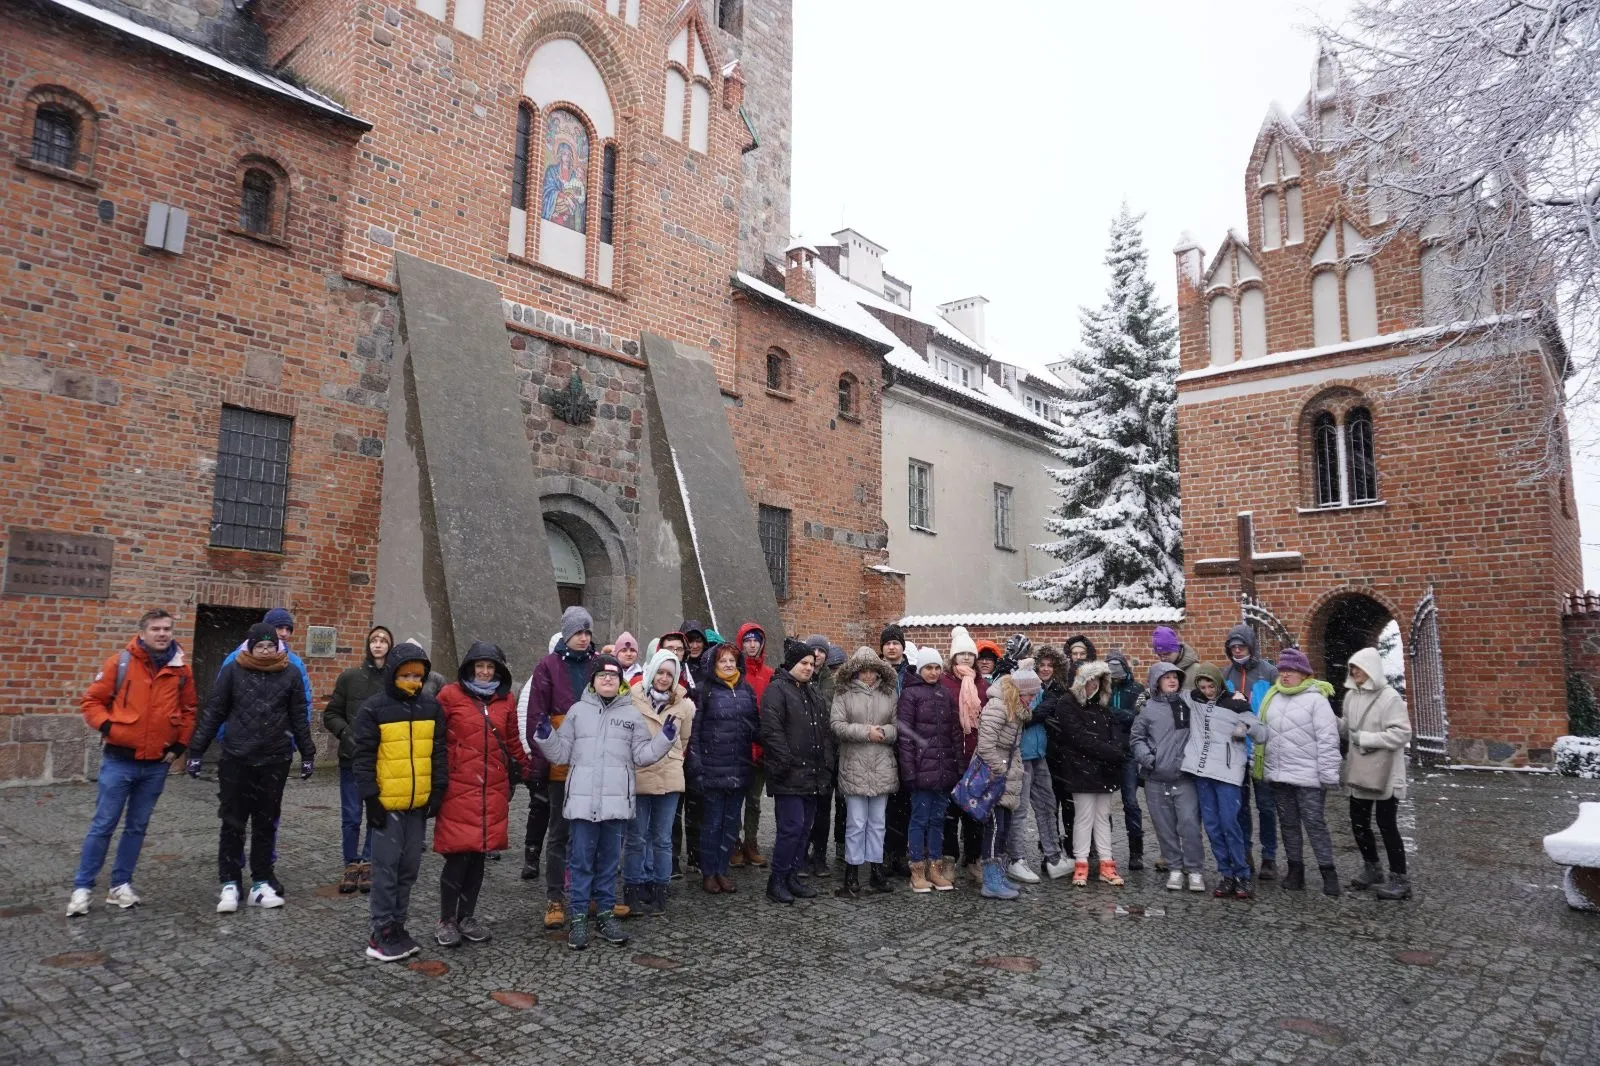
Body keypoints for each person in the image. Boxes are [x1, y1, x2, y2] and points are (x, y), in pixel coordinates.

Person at [532, 656, 676, 950]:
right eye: (602, 675)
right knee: (581, 861)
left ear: (621, 681)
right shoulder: (576, 712)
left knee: (610, 863)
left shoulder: (632, 715)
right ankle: (580, 917)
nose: (608, 680)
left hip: (616, 804)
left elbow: (642, 755)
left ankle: (606, 914)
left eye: (613, 676)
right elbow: (561, 754)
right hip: (583, 804)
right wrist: (546, 737)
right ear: (593, 681)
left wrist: (665, 739)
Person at [69, 609, 197, 916]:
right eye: (156, 628)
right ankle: (82, 888)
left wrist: (180, 744)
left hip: (155, 764)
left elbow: (190, 709)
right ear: (143, 633)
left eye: (167, 628)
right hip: (119, 761)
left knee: (137, 827)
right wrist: (109, 728)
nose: (162, 633)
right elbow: (91, 701)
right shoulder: (121, 662)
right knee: (103, 825)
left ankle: (120, 885)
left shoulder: (181, 671)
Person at [185, 622, 314, 913]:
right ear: (250, 646)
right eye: (260, 646)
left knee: (266, 823)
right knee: (233, 821)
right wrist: (196, 750)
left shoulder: (290, 673)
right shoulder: (233, 671)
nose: (266, 651)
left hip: (274, 759)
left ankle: (261, 880)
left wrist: (307, 754)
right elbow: (215, 710)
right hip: (237, 758)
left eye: (271, 646)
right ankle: (229, 881)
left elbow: (298, 717)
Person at [351, 641, 445, 961]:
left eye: (418, 677)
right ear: (393, 675)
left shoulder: (431, 709)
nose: (413, 682)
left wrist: (437, 791)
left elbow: (438, 754)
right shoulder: (373, 709)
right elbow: (362, 758)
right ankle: (381, 931)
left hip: (417, 805)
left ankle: (398, 924)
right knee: (385, 870)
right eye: (406, 676)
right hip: (387, 804)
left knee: (408, 868)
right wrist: (371, 799)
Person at [432, 642, 528, 947]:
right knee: (458, 856)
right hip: (460, 787)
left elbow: (512, 741)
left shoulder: (505, 700)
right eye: (480, 666)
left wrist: (529, 771)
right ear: (469, 667)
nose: (485, 672)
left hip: (493, 789)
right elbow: (435, 738)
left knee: (478, 857)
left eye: (490, 667)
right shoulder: (449, 696)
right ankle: (447, 919)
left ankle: (466, 916)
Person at [517, 605, 596, 930]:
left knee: (589, 832)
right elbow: (538, 717)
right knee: (560, 832)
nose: (583, 638)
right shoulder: (547, 667)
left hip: (592, 762)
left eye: (587, 632)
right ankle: (554, 898)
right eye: (578, 632)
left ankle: (586, 892)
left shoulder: (598, 664)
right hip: (562, 764)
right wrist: (546, 757)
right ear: (567, 633)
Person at [1253, 647, 1342, 895]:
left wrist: (1328, 774)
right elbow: (1264, 735)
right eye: (1282, 671)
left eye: (1291, 671)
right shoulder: (1273, 697)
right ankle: (1295, 871)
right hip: (1280, 775)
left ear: (1304, 674)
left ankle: (1328, 872)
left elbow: (1328, 739)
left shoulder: (1317, 700)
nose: (1285, 675)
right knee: (1288, 824)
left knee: (1315, 823)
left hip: (1309, 777)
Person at [760, 639, 834, 904]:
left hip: (812, 774)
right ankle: (777, 880)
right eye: (803, 663)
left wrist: (825, 764)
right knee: (790, 829)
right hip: (789, 774)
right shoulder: (777, 690)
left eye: (812, 664)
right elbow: (771, 731)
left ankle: (793, 875)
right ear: (792, 663)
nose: (808, 668)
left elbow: (823, 732)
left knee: (804, 829)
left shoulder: (812, 692)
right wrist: (788, 763)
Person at [1182, 662, 1263, 899]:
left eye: (1210, 686)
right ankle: (1226, 873)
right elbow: (1168, 689)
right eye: (1203, 686)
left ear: (1218, 683)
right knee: (1213, 827)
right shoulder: (1193, 699)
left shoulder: (1236, 703)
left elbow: (1262, 731)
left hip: (1228, 773)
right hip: (1202, 772)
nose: (1207, 690)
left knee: (1230, 824)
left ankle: (1243, 875)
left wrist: (1245, 726)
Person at [323, 625, 393, 894]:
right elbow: (331, 714)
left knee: (376, 812)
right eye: (374, 640)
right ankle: (350, 863)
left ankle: (368, 861)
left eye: (383, 640)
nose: (378, 644)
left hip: (382, 758)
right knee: (351, 815)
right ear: (367, 645)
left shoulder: (392, 680)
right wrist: (347, 733)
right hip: (352, 757)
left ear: (389, 646)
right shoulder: (350, 677)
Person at [1340, 647, 1413, 900]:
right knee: (1358, 823)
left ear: (1371, 669)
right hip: (1360, 770)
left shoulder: (1389, 697)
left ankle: (1399, 878)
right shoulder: (1351, 696)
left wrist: (1367, 739)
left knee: (1386, 825)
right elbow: (1347, 729)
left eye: (1358, 668)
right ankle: (1372, 867)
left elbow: (1402, 733)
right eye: (1352, 668)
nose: (1354, 672)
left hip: (1385, 772)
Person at [688, 642, 761, 894]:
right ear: (714, 664)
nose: (728, 664)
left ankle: (722, 870)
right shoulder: (704, 691)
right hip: (712, 767)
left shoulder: (746, 690)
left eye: (732, 660)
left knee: (731, 825)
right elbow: (694, 732)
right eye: (723, 661)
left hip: (739, 768)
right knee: (712, 824)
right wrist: (696, 763)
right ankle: (708, 872)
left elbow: (754, 727)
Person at [627, 648, 696, 915]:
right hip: (640, 773)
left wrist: (675, 757)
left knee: (663, 838)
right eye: (661, 672)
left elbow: (685, 739)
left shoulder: (683, 705)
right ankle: (634, 886)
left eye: (670, 673)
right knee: (636, 838)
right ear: (651, 671)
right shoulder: (632, 698)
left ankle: (660, 887)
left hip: (669, 775)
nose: (664, 678)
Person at [830, 647, 899, 897]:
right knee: (856, 822)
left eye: (873, 670)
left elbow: (896, 726)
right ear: (856, 671)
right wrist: (865, 731)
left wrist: (884, 733)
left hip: (881, 764)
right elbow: (837, 725)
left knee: (878, 823)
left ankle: (876, 870)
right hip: (855, 764)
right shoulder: (844, 693)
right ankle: (852, 872)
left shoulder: (888, 693)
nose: (869, 675)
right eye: (864, 670)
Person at [1131, 663, 1205, 893]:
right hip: (1156, 778)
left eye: (1175, 677)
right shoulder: (1148, 709)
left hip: (1185, 777)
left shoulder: (1190, 703)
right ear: (1157, 682)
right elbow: (1136, 738)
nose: (1172, 681)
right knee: (1164, 827)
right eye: (1167, 678)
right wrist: (1148, 759)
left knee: (1190, 824)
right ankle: (1174, 866)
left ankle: (1194, 870)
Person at [1057, 660, 1125, 887]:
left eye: (1097, 680)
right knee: (1084, 818)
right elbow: (1078, 737)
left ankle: (1107, 862)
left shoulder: (1102, 706)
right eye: (1089, 680)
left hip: (1103, 770)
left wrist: (1116, 751)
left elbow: (1113, 732)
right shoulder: (1067, 703)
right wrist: (1111, 753)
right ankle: (1081, 863)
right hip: (1081, 769)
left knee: (1103, 817)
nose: (1093, 685)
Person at [1223, 624, 1280, 881]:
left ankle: (1269, 855)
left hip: (1261, 748)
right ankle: (1244, 851)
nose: (1237, 651)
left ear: (1251, 647)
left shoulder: (1268, 672)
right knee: (1240, 806)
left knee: (1266, 805)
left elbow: (1278, 707)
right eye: (1233, 647)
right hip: (1235, 749)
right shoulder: (1226, 674)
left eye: (1241, 646)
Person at [1007, 647, 1069, 882]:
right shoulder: (1017, 685)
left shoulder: (1045, 690)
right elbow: (1023, 716)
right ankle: (1016, 858)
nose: (1044, 669)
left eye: (1049, 666)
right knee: (1019, 810)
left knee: (1047, 804)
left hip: (1039, 754)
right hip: (1020, 755)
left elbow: (1040, 713)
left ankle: (1053, 856)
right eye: (1039, 664)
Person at [974, 670, 1031, 900]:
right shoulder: (998, 707)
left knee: (1003, 827)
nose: (1031, 700)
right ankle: (990, 880)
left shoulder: (1015, 709)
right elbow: (986, 746)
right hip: (994, 777)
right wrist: (1001, 770)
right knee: (994, 828)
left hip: (1005, 776)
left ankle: (999, 873)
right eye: (1029, 695)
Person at [941, 626, 988, 882]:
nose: (967, 658)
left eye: (970, 654)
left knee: (974, 813)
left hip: (976, 756)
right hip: (949, 754)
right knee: (950, 813)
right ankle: (949, 859)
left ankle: (973, 859)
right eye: (962, 654)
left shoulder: (983, 684)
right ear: (953, 657)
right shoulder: (944, 682)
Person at [997, 663, 1046, 885]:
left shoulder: (1020, 708)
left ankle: (1011, 857)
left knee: (1018, 810)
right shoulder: (1006, 709)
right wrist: (1003, 766)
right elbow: (993, 743)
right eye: (1031, 695)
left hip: (1020, 760)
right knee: (1016, 811)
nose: (1033, 700)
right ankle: (1013, 858)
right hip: (1012, 763)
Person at [731, 621, 772, 870]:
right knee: (735, 798)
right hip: (738, 746)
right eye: (747, 640)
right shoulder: (735, 672)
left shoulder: (769, 674)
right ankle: (734, 843)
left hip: (761, 745)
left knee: (754, 801)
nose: (752, 644)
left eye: (756, 639)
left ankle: (751, 842)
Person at [1104, 651, 1147, 872]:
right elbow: (1101, 715)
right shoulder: (1103, 690)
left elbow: (1138, 717)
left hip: (1128, 752)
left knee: (1130, 802)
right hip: (1107, 751)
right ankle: (1104, 850)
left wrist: (1115, 713)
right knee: (1104, 806)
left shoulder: (1137, 690)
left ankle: (1136, 852)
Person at [878, 624, 915, 877]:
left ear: (902, 647)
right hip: (882, 743)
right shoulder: (874, 673)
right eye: (888, 643)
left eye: (896, 643)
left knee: (903, 803)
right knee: (883, 804)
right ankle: (884, 854)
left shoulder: (912, 675)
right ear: (882, 648)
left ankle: (900, 853)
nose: (892, 647)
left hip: (907, 744)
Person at [803, 634, 839, 878]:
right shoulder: (800, 678)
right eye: (813, 650)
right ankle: (801, 854)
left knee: (824, 809)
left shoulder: (832, 683)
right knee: (805, 809)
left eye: (821, 651)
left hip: (827, 751)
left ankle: (820, 855)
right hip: (805, 752)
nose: (817, 655)